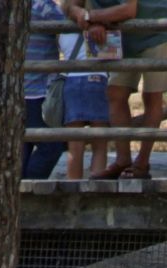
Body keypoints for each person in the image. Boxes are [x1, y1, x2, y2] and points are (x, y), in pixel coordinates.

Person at [61, 0, 167, 180]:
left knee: (152, 96)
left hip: (155, 31)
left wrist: (91, 17)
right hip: (124, 36)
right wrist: (81, 14)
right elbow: (67, 5)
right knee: (114, 93)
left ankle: (142, 163)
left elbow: (129, 10)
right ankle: (123, 159)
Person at [58, 8, 110, 179]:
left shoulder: (62, 25)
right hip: (97, 79)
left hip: (72, 81)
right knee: (100, 144)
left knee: (75, 147)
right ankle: (98, 188)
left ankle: (73, 190)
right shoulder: (101, 22)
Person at [23, 0, 67, 179]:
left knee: (23, 145)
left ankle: (18, 189)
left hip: (22, 89)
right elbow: (68, 23)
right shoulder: (42, 5)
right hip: (37, 90)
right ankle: (28, 187)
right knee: (52, 146)